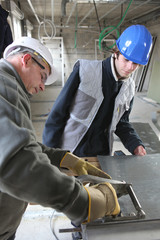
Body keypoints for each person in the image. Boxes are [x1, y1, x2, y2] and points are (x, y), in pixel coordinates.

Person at [0, 36, 120, 240]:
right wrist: (83, 202)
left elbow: (16, 144)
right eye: (43, 76)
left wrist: (61, 158)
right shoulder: (4, 87)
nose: (42, 87)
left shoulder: (10, 86)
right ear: (26, 60)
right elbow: (16, 164)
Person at [43, 25, 152, 161]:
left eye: (135, 63)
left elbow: (122, 123)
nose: (130, 67)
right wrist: (50, 155)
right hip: (72, 151)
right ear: (116, 53)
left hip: (103, 156)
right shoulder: (84, 71)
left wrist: (135, 144)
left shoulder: (129, 88)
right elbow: (57, 115)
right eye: (126, 60)